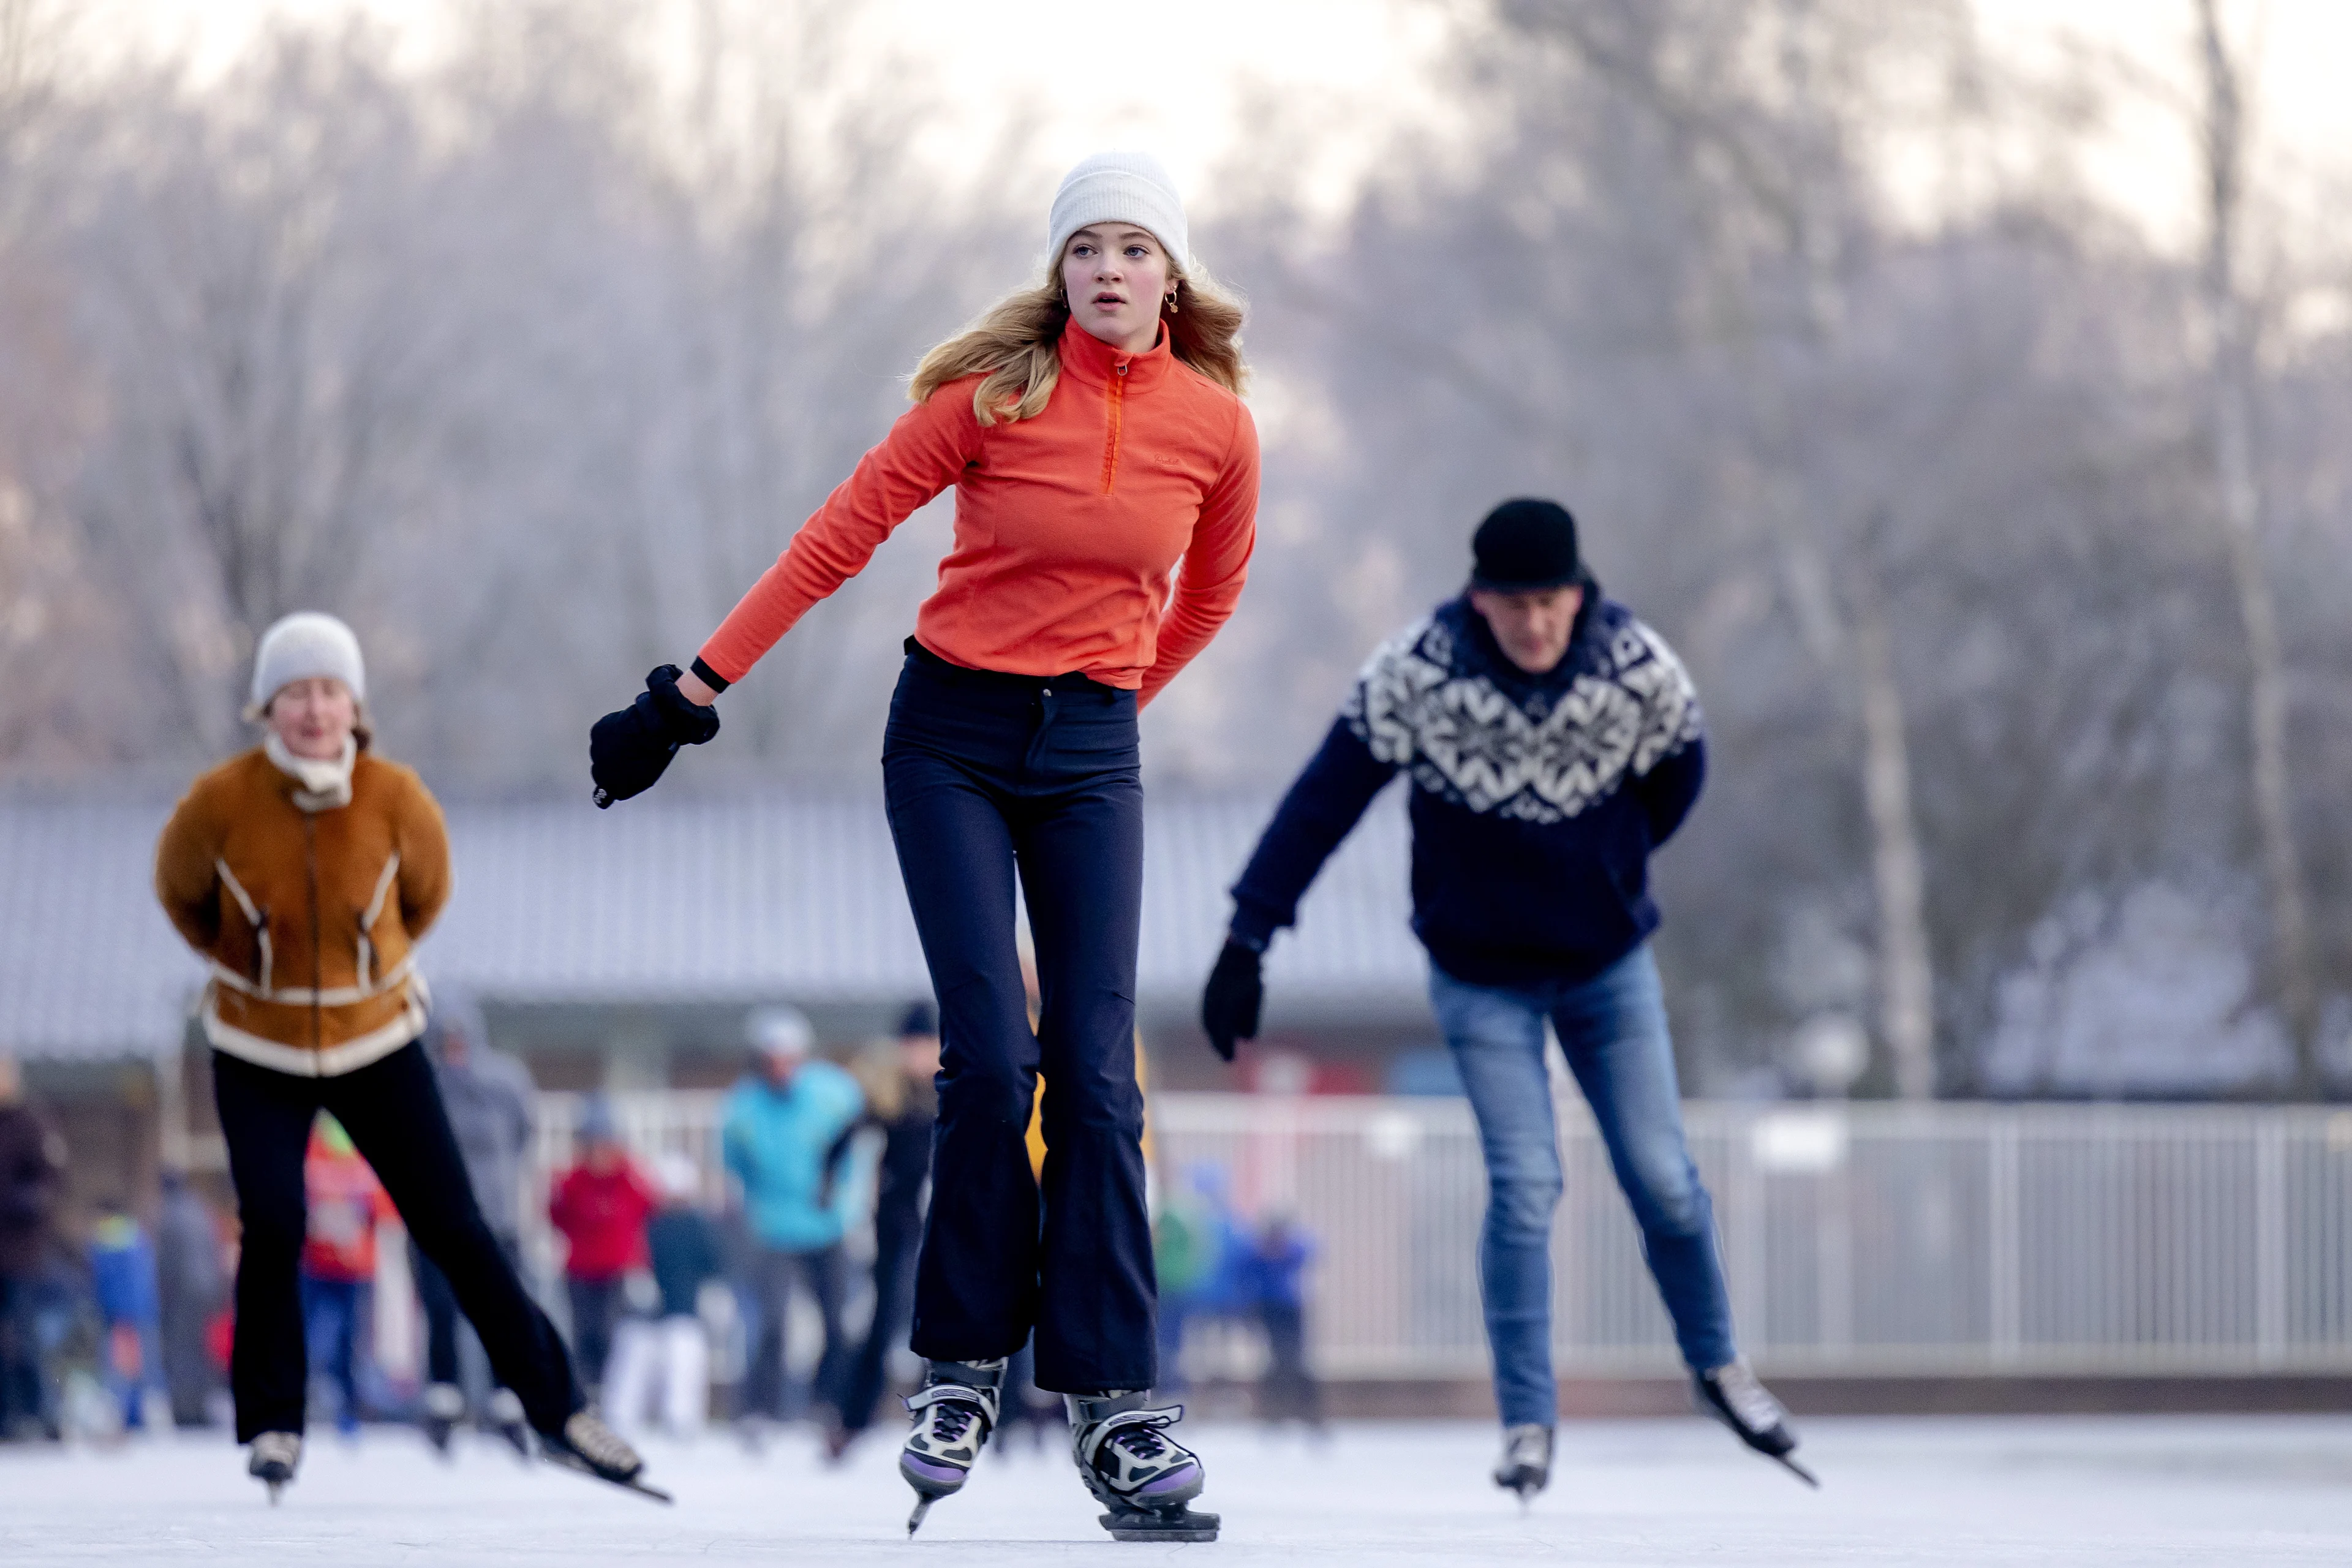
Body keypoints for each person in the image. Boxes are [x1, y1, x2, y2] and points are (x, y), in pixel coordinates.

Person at [589, 149, 1254, 1539]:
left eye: (1136, 248)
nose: (1110, 269)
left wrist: (1113, 704)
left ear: (1171, 275)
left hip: (1093, 750)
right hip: (949, 737)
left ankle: (1115, 1408)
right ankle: (958, 1374)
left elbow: (1207, 598)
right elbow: (835, 538)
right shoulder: (989, 398)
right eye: (1087, 248)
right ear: (1059, 269)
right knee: (989, 1058)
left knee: (1095, 1073)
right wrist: (688, 694)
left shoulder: (1217, 429)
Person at [1202, 500, 1810, 1499]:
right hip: (1481, 976)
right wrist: (1248, 937)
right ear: (1480, 600)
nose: (1535, 624)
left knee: (1663, 1176)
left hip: (1607, 966)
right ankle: (1528, 1420)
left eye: (1551, 603)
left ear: (1579, 595)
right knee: (1526, 1182)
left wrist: (1606, 863)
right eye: (1515, 605)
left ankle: (1719, 1369)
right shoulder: (1418, 674)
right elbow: (1323, 802)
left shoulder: (1636, 670)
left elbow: (1681, 779)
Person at [154, 611, 646, 1497]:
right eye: (296, 694)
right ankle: (274, 1422)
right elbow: (181, 892)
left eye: (329, 692)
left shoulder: (395, 798)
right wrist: (247, 964)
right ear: (267, 707)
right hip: (257, 1043)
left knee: (455, 1225)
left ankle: (560, 1407)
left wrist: (363, 971)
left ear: (355, 706)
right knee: (273, 1222)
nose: (314, 710)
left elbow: (424, 898)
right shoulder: (220, 803)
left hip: (375, 1037)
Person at [720, 1006, 863, 1430]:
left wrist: (843, 1197)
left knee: (836, 1320)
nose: (780, 1069)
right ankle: (761, 1411)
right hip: (773, 1228)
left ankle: (830, 1403)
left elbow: (855, 1148)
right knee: (771, 1323)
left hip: (828, 1224)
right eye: (772, 1060)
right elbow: (736, 1163)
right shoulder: (743, 1107)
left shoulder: (835, 1093)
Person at [412, 989, 537, 1457]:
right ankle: (445, 1397)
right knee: (441, 1310)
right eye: (447, 1040)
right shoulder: (423, 1084)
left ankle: (507, 1400)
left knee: (500, 1312)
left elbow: (524, 1136)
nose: (455, 1048)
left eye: (461, 1039)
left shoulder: (505, 1083)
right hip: (438, 1221)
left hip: (494, 1221)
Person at [830, 1003, 940, 1457]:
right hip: (896, 1223)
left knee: (945, 1321)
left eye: (926, 1045)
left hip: (944, 1221)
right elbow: (844, 1138)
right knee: (886, 1317)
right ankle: (852, 1419)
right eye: (912, 1046)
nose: (919, 1055)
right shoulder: (890, 1095)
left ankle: (942, 1418)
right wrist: (828, 1185)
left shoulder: (951, 1089)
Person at [602, 1154, 723, 1438]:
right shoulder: (648, 1223)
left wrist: (713, 1297)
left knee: (684, 1354)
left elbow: (713, 1268)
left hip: (685, 1311)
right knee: (631, 1349)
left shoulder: (700, 1228)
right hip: (647, 1312)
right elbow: (635, 1256)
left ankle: (681, 1419)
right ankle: (620, 1416)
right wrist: (638, 1281)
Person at [547, 1098, 655, 1398]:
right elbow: (558, 1218)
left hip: (616, 1269)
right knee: (584, 1333)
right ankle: (586, 1392)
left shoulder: (628, 1179)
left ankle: (614, 1393)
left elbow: (646, 1210)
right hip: (581, 1269)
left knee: (612, 1333)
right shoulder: (572, 1182)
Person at [299, 1115, 390, 1438]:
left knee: (349, 1342)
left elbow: (381, 1209)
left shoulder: (361, 1152)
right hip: (318, 1263)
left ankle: (347, 1409)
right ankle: (310, 1402)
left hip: (353, 1266)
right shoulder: (311, 1149)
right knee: (311, 1335)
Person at [0, 1057, 67, 1441]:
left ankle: (38, 1411)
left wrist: (30, 1199)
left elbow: (52, 1175)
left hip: (21, 1253)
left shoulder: (29, 1122)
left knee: (26, 1336)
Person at [154, 1169, 227, 1428]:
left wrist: (163, 1297)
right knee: (201, 1350)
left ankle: (186, 1409)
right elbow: (215, 1251)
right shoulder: (200, 1211)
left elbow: (166, 1263)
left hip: (184, 1292)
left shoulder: (170, 1214)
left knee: (182, 1351)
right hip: (208, 1290)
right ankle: (201, 1406)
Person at [1240, 1213, 1323, 1432]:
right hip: (1269, 1309)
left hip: (1291, 1309)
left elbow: (1310, 1249)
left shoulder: (1293, 1248)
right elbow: (1246, 1269)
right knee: (1276, 1360)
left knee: (1296, 1360)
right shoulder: (1258, 1252)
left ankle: (1309, 1413)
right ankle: (1275, 1413)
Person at [88, 1197, 164, 1433]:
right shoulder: (137, 1235)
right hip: (142, 1310)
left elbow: (102, 1282)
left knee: (120, 1368)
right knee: (142, 1365)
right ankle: (139, 1415)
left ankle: (124, 1415)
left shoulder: (104, 1240)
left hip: (118, 1315)